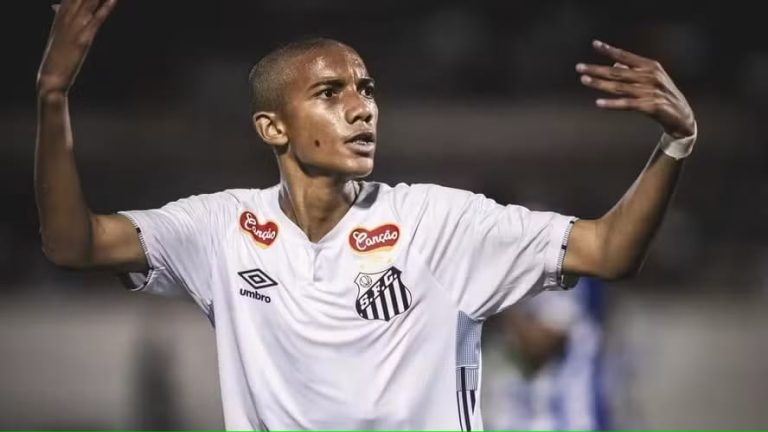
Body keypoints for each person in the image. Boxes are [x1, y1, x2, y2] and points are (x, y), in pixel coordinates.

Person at [35, 0, 697, 430]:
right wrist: (54, 96)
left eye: (367, 89)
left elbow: (608, 250)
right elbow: (73, 244)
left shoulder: (438, 223)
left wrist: (675, 143)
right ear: (272, 127)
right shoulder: (219, 229)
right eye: (330, 93)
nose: (361, 108)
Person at [482, 277, 612, 430]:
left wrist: (498, 304)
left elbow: (542, 341)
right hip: (527, 407)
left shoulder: (564, 271)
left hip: (567, 414)